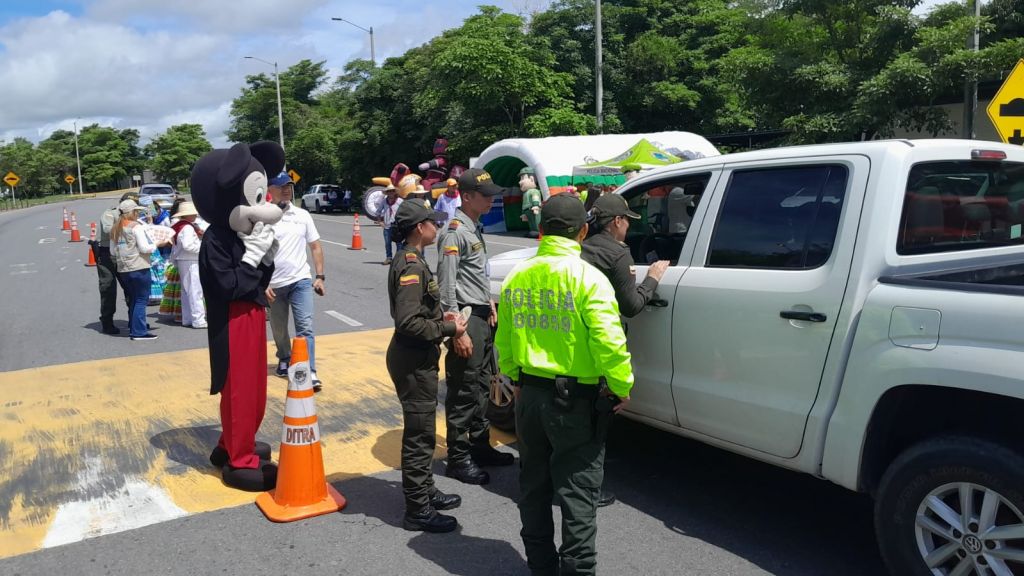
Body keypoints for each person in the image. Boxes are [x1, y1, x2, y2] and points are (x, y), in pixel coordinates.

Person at [495, 194, 634, 576]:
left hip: (529, 397)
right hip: (575, 402)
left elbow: (503, 341)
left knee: (533, 487)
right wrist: (621, 386)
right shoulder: (589, 277)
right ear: (583, 231)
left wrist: (517, 379)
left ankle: (541, 567)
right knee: (578, 493)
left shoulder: (517, 276)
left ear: (541, 232)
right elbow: (609, 341)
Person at [581, 193, 669, 508]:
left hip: (574, 347)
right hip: (603, 345)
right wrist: (652, 280)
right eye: (627, 220)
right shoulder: (618, 254)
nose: (629, 226)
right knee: (595, 424)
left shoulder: (580, 248)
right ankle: (587, 490)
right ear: (617, 221)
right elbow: (630, 305)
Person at [386, 198, 468, 533]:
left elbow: (419, 312)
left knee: (422, 431)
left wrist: (439, 316)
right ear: (420, 228)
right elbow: (408, 322)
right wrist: (449, 328)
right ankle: (417, 510)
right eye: (433, 221)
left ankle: (425, 491)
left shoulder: (414, 259)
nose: (438, 225)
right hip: (413, 359)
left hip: (416, 356)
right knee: (420, 436)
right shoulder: (411, 265)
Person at [436, 167, 513, 486]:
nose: (491, 200)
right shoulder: (455, 231)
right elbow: (447, 286)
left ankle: (480, 445)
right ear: (466, 197)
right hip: (466, 321)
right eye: (485, 195)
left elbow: (474, 275)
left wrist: (488, 303)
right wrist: (458, 330)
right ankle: (458, 456)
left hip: (481, 315)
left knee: (482, 385)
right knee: (464, 389)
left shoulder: (473, 227)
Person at [264, 172, 326, 392]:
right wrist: (262, 283)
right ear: (269, 190)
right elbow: (254, 253)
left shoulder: (302, 215)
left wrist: (319, 277)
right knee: (279, 328)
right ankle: (284, 356)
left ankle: (309, 370)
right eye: (281, 187)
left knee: (305, 328)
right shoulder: (262, 218)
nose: (287, 190)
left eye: (289, 186)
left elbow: (315, 246)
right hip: (274, 284)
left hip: (300, 280)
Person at [111, 199, 171, 341]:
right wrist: (157, 243)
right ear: (132, 212)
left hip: (123, 268)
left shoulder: (115, 228)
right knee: (141, 300)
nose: (138, 213)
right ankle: (139, 332)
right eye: (136, 211)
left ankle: (134, 327)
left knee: (133, 299)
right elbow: (145, 248)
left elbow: (113, 252)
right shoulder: (136, 227)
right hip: (139, 266)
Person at [93, 192, 138, 334]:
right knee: (108, 288)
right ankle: (107, 322)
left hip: (125, 253)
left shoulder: (135, 216)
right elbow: (107, 230)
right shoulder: (110, 214)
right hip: (107, 254)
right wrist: (127, 224)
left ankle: (135, 321)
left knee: (131, 287)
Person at [170, 201, 207, 328]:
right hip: (191, 260)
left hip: (182, 259)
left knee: (186, 291)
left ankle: (188, 318)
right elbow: (188, 245)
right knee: (195, 290)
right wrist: (203, 247)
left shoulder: (179, 226)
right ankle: (198, 319)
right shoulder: (187, 227)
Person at [379, 184, 403, 265]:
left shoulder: (400, 201)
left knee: (399, 243)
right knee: (387, 243)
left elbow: (405, 211)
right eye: (389, 191)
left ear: (394, 192)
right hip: (387, 225)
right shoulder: (384, 201)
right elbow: (378, 211)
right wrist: (380, 221)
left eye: (392, 191)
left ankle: (398, 258)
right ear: (387, 193)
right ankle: (389, 258)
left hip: (397, 225)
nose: (391, 193)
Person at [519, 167, 542, 239]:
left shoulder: (534, 191)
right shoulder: (525, 193)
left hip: (533, 209)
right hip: (527, 210)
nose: (520, 182)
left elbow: (536, 198)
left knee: (536, 221)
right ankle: (533, 231)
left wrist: (536, 206)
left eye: (522, 178)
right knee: (530, 222)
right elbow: (524, 203)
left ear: (531, 178)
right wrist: (523, 212)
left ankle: (538, 231)